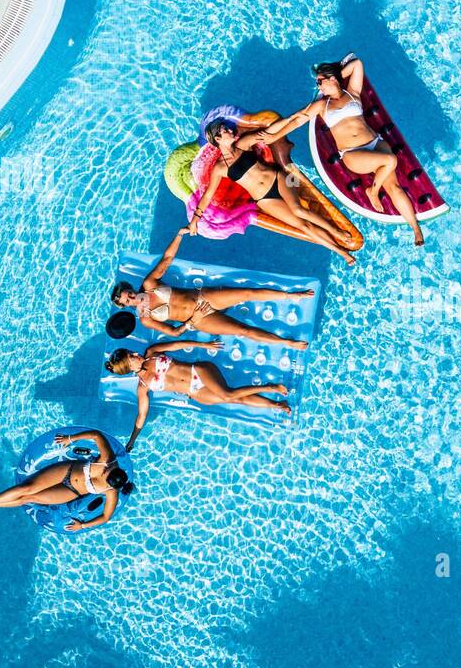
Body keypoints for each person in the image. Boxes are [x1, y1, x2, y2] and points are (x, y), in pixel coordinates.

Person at [243, 54, 425, 247]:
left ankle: (415, 228)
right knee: (390, 161)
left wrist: (336, 74)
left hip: (375, 143)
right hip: (353, 154)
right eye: (317, 83)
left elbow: (357, 63)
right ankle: (373, 190)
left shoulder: (353, 92)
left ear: (332, 79)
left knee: (394, 187)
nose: (318, 87)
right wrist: (274, 136)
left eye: (320, 82)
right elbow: (298, 119)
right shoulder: (322, 105)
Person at [112, 228, 314, 349]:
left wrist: (179, 235)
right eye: (127, 301)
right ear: (125, 306)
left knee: (247, 293)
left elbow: (167, 259)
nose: (131, 297)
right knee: (244, 330)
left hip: (203, 298)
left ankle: (291, 296)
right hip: (201, 320)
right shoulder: (146, 319)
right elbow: (173, 333)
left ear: (130, 288)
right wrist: (192, 321)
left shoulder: (149, 285)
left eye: (128, 293)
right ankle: (287, 343)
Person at [198, 122, 357, 266]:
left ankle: (336, 231)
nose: (230, 130)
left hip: (279, 178)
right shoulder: (220, 168)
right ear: (218, 138)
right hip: (265, 199)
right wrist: (195, 220)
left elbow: (266, 132)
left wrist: (292, 119)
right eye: (225, 130)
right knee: (303, 226)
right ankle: (341, 252)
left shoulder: (242, 144)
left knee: (298, 210)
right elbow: (207, 195)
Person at [105, 339, 291, 449]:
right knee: (237, 400)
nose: (136, 353)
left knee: (227, 395)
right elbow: (141, 416)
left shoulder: (151, 352)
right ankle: (275, 405)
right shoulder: (142, 386)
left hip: (199, 371)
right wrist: (132, 441)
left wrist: (203, 344)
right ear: (129, 367)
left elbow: (178, 344)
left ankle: (270, 387)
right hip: (194, 391)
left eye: (132, 352)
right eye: (132, 356)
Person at [0, 429, 132, 532]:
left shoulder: (111, 491)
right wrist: (70, 438)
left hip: (71, 491)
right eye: (106, 471)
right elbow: (96, 435)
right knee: (27, 488)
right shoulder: (108, 459)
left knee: (28, 498)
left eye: (105, 476)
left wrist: (82, 526)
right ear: (112, 468)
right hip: (65, 471)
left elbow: (105, 517)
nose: (103, 473)